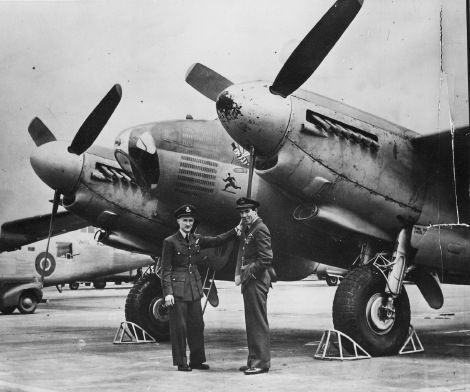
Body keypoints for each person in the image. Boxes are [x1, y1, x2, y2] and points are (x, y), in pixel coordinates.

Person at [161, 204, 237, 372]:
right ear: (178, 221)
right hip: (178, 288)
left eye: (190, 220)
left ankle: (197, 360)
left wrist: (235, 231)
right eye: (185, 220)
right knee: (179, 327)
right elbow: (165, 269)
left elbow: (217, 240)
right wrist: (168, 293)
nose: (188, 223)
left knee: (197, 324)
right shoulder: (170, 242)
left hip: (194, 288)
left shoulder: (197, 239)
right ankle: (181, 362)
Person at [234, 197, 274, 375]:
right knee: (252, 322)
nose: (244, 215)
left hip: (256, 280)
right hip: (251, 281)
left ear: (255, 211)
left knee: (257, 322)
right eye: (242, 212)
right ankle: (253, 360)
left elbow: (266, 258)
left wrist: (249, 271)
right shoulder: (250, 228)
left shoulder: (260, 228)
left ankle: (261, 363)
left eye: (247, 211)